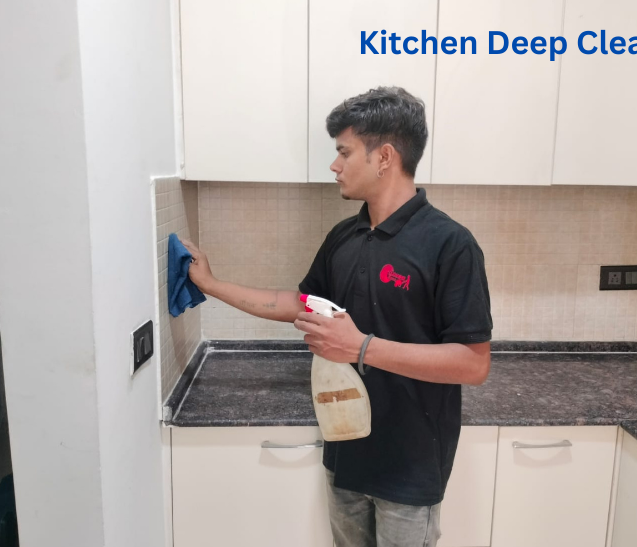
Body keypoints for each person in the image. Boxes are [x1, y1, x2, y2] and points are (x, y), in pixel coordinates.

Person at [181, 86, 492, 547]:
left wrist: (360, 347)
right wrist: (211, 285)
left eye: (344, 152)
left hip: (411, 465)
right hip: (344, 450)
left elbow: (473, 363)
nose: (334, 165)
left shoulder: (450, 244)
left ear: (384, 157)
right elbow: (301, 303)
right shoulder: (345, 236)